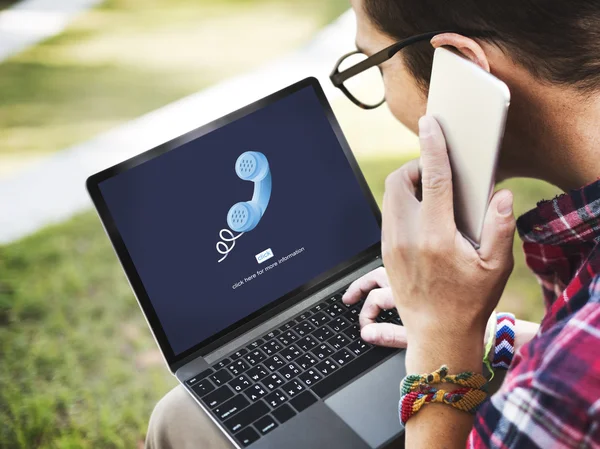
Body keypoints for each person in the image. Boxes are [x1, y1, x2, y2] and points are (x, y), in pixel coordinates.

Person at [146, 0, 600, 447]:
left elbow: (569, 375)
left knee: (178, 420)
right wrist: (483, 334)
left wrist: (441, 343)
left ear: (464, 69)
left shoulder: (567, 392)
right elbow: (567, 349)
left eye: (374, 65)